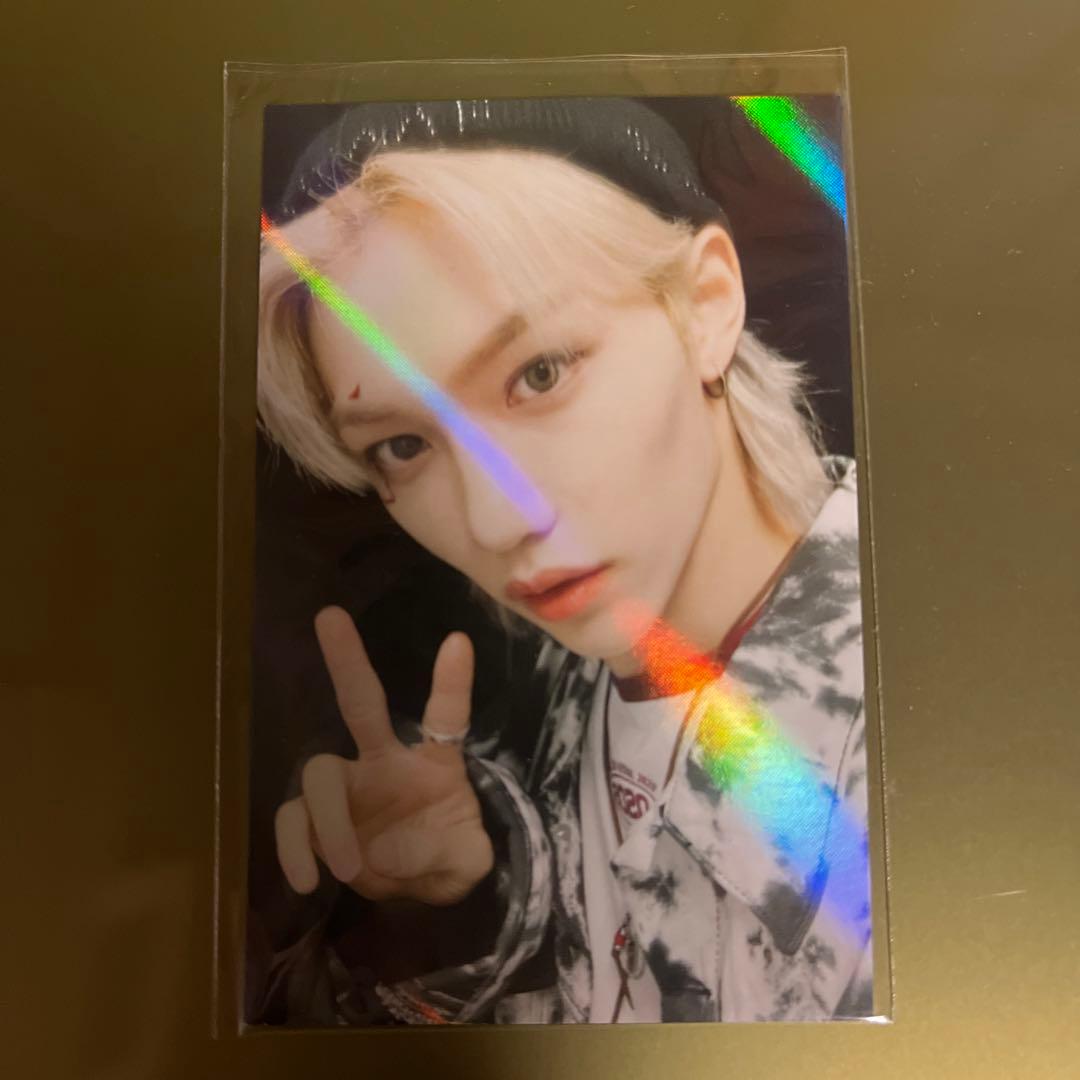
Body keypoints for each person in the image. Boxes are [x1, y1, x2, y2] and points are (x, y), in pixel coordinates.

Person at [254, 97, 872, 1025]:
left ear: (706, 305)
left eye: (539, 373)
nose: (497, 519)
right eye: (402, 446)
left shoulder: (935, 736)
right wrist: (467, 899)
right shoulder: (551, 680)